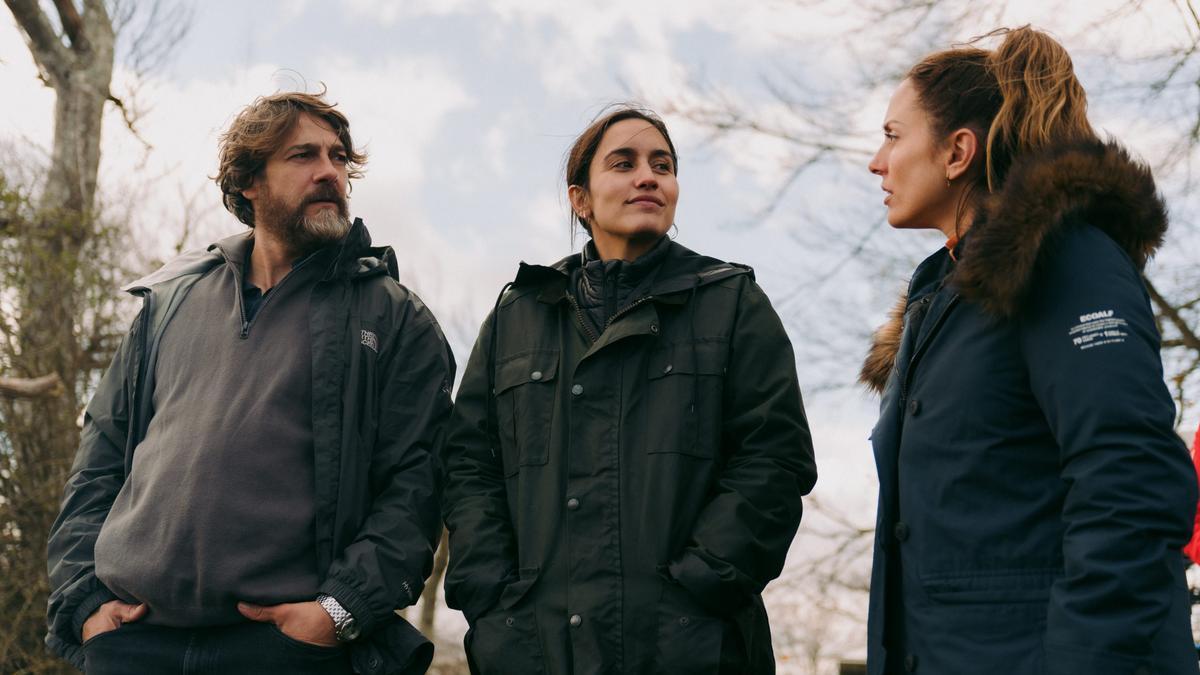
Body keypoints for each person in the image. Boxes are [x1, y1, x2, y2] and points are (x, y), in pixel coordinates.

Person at [45, 90, 454, 674]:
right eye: (303, 156)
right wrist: (85, 600)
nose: (329, 173)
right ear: (248, 182)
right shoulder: (169, 302)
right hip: (132, 642)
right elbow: (100, 459)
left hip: (285, 649)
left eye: (339, 159)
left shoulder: (393, 317)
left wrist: (339, 612)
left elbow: (417, 484)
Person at [861, 26, 1198, 674]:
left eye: (893, 135)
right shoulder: (940, 299)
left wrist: (1085, 659)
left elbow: (1129, 477)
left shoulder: (1064, 259)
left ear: (958, 150)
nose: (878, 161)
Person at [440, 106, 817, 674]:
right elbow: (468, 463)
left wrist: (700, 588)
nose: (649, 176)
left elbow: (774, 459)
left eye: (662, 165)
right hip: (534, 649)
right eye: (624, 163)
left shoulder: (731, 303)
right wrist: (492, 597)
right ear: (580, 199)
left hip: (690, 649)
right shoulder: (516, 315)